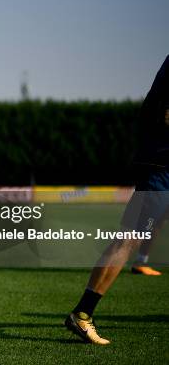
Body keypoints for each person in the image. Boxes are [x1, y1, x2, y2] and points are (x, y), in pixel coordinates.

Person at [65, 55, 169, 345]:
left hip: (161, 169)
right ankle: (82, 313)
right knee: (128, 240)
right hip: (160, 171)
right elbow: (163, 114)